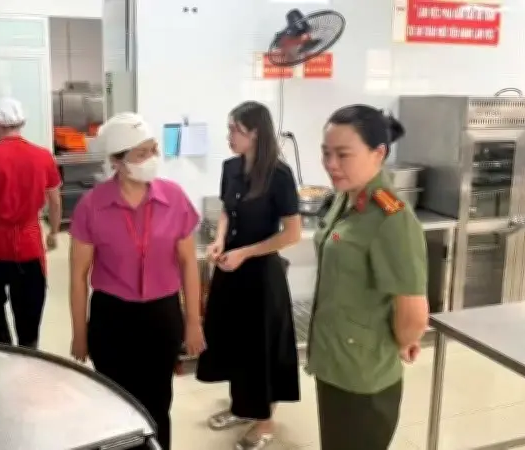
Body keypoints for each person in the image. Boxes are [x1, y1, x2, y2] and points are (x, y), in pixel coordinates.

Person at [69, 112, 206, 450]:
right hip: (112, 318)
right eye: (141, 154)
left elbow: (188, 263)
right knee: (114, 405)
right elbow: (78, 276)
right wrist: (80, 333)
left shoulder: (174, 198)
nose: (152, 159)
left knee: (158, 403)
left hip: (162, 316)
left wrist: (193, 322)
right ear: (117, 162)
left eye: (153, 150)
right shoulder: (92, 206)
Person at [307, 104, 429, 449]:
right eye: (326, 153)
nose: (331, 164)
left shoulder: (391, 218)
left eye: (343, 154)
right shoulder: (344, 199)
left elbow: (414, 312)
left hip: (363, 375)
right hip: (334, 362)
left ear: (379, 153)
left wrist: (403, 340)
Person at [196, 101, 302, 450]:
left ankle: (264, 421)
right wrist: (219, 240)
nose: (229, 136)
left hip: (261, 275)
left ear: (255, 133)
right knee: (234, 341)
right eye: (229, 129)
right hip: (231, 269)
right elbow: (227, 210)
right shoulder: (231, 167)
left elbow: (292, 234)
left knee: (259, 348)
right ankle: (241, 407)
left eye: (235, 130)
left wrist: (245, 252)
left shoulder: (278, 175)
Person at [0, 97, 62, 349]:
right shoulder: (43, 156)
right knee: (29, 307)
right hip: (30, 243)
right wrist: (53, 232)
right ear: (21, 123)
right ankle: (28, 349)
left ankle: (2, 349)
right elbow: (55, 202)